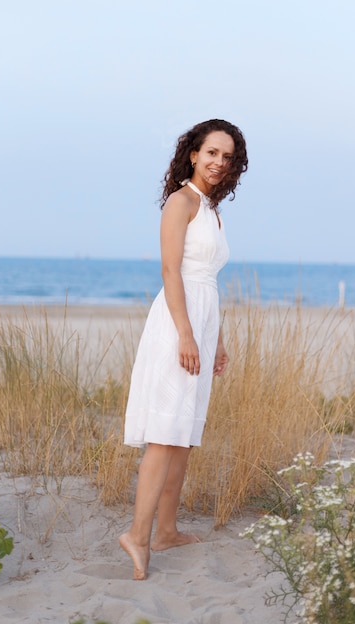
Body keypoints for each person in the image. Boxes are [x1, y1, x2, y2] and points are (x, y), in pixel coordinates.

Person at [119, 119, 248, 580]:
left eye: (227, 157)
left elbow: (207, 282)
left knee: (185, 435)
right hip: (177, 324)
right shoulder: (181, 201)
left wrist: (218, 341)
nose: (219, 162)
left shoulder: (212, 209)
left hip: (202, 320)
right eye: (212, 152)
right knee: (165, 434)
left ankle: (167, 530)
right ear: (193, 154)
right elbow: (172, 273)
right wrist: (188, 335)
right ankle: (137, 534)